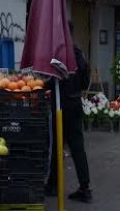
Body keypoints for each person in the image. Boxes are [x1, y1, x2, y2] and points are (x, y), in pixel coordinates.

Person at [46, 21, 92, 203]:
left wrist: (41, 84)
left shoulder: (60, 56)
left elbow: (52, 82)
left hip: (61, 106)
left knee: (57, 146)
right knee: (78, 147)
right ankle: (85, 187)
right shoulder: (80, 54)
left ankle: (52, 185)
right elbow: (85, 83)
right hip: (76, 105)